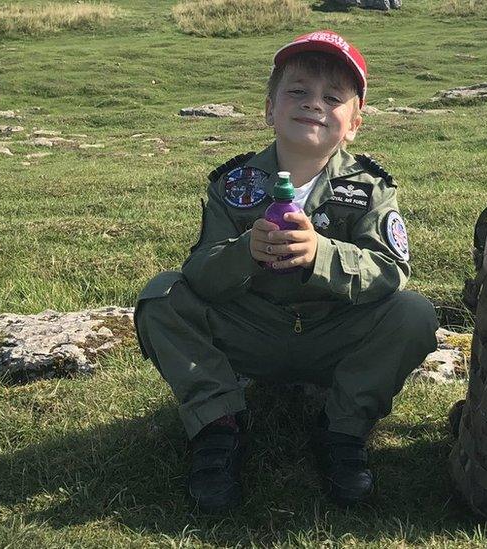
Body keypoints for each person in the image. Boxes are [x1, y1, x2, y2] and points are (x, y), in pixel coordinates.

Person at [134, 30, 438, 512]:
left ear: (354, 123)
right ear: (270, 108)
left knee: (414, 312)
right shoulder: (234, 184)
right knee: (162, 296)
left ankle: (343, 432)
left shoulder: (370, 189)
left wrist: (321, 253)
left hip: (335, 336)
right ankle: (218, 427)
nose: (313, 104)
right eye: (297, 91)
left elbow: (390, 269)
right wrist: (244, 251)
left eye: (332, 97)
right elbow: (201, 274)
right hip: (252, 330)